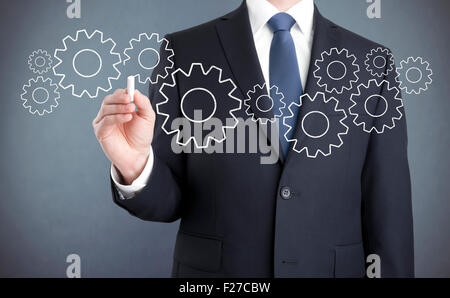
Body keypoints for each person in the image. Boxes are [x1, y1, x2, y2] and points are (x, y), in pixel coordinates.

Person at [93, 0, 414, 278]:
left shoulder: (374, 63)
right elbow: (168, 200)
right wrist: (135, 163)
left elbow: (389, 209)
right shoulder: (182, 52)